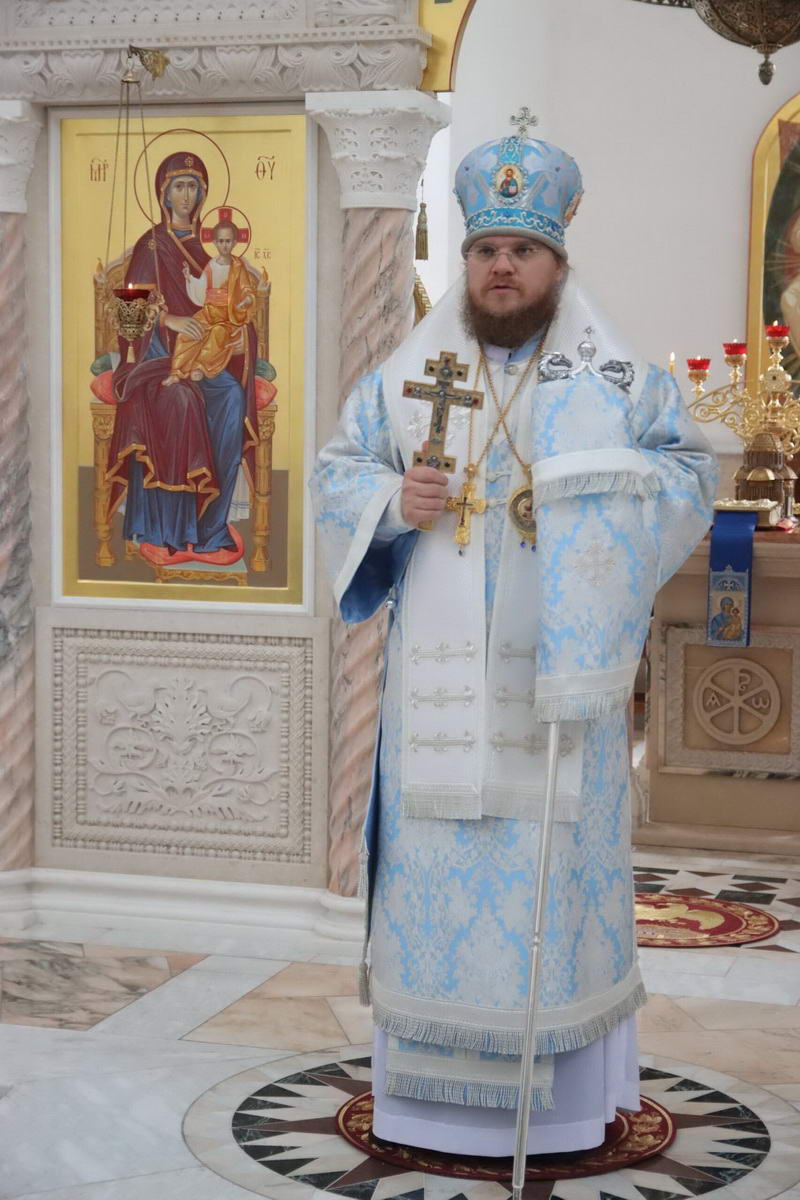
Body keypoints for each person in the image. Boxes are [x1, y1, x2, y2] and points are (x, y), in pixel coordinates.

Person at [310, 128, 718, 1157]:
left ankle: (569, 1105)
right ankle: (424, 1107)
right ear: (467, 260)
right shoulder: (408, 377)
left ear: (556, 262)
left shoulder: (615, 379)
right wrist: (392, 501)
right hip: (437, 699)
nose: (501, 266)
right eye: (486, 249)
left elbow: (687, 475)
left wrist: (600, 497)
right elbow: (336, 472)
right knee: (436, 881)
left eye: (521, 250)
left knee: (553, 887)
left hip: (560, 690)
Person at [106, 153, 259, 568]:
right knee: (181, 401)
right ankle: (166, 531)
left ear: (203, 193)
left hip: (208, 357)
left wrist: (234, 333)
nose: (186, 195)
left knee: (231, 397)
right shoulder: (151, 245)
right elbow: (130, 312)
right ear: (164, 193)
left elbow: (235, 309)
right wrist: (169, 319)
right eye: (179, 186)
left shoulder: (212, 250)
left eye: (193, 186)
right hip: (157, 358)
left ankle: (210, 527)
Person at [164, 219, 256, 387]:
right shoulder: (211, 264)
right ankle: (176, 372)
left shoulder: (238, 266)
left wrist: (247, 299)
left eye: (228, 241)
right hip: (209, 312)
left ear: (235, 242)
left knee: (217, 335)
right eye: (221, 241)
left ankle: (200, 367)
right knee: (187, 333)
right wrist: (189, 278)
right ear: (214, 242)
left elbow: (246, 289)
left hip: (228, 315)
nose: (224, 245)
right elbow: (202, 288)